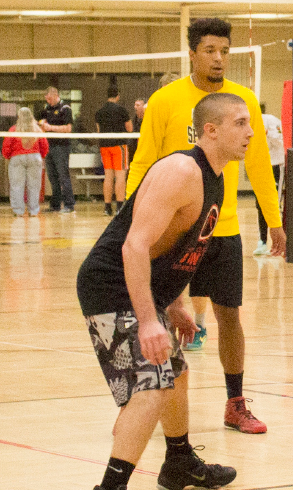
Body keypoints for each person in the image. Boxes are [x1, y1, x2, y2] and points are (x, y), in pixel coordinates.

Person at [78, 92, 250, 490]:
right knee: (151, 387)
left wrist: (173, 304)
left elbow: (176, 247)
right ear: (211, 130)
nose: (250, 132)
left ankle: (178, 462)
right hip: (112, 284)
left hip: (143, 288)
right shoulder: (181, 171)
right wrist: (146, 321)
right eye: (239, 123)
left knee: (175, 374)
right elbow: (134, 245)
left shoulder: (216, 177)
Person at [126, 17, 285, 434]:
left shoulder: (242, 100)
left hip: (224, 229)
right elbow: (143, 162)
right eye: (210, 50)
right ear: (192, 53)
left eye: (225, 51)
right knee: (158, 315)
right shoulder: (165, 100)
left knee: (229, 316)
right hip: (176, 230)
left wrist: (274, 220)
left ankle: (236, 403)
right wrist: (131, 216)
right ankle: (148, 406)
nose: (218, 58)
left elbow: (259, 166)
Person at [95, 85, 134, 215]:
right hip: (118, 146)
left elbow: (99, 131)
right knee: (120, 176)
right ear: (118, 96)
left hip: (104, 146)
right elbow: (129, 128)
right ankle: (119, 207)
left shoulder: (99, 112)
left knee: (108, 176)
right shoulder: (122, 110)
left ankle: (107, 207)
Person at [3, 107, 49, 217]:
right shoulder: (37, 129)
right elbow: (45, 146)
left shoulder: (14, 129)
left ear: (19, 117)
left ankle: (18, 211)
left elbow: (6, 146)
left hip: (17, 157)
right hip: (35, 157)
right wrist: (40, 155)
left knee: (16, 185)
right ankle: (33, 211)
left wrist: (8, 156)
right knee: (34, 186)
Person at [39, 86, 76, 213]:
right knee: (52, 177)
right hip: (49, 146)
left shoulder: (65, 108)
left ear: (55, 95)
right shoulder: (47, 108)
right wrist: (42, 125)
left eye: (49, 98)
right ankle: (55, 205)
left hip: (61, 147)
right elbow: (42, 122)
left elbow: (68, 128)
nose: (48, 101)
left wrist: (51, 128)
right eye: (46, 99)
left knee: (63, 175)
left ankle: (69, 205)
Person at [254, 103, 284, 256]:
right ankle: (262, 241)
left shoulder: (272, 121)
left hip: (275, 165)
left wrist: (267, 133)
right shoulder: (248, 125)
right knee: (260, 204)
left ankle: (280, 242)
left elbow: (282, 141)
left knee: (274, 204)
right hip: (260, 166)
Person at [128, 99, 145, 164]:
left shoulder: (148, 119)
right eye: (135, 105)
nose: (135, 107)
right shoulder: (134, 121)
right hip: (134, 149)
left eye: (138, 105)